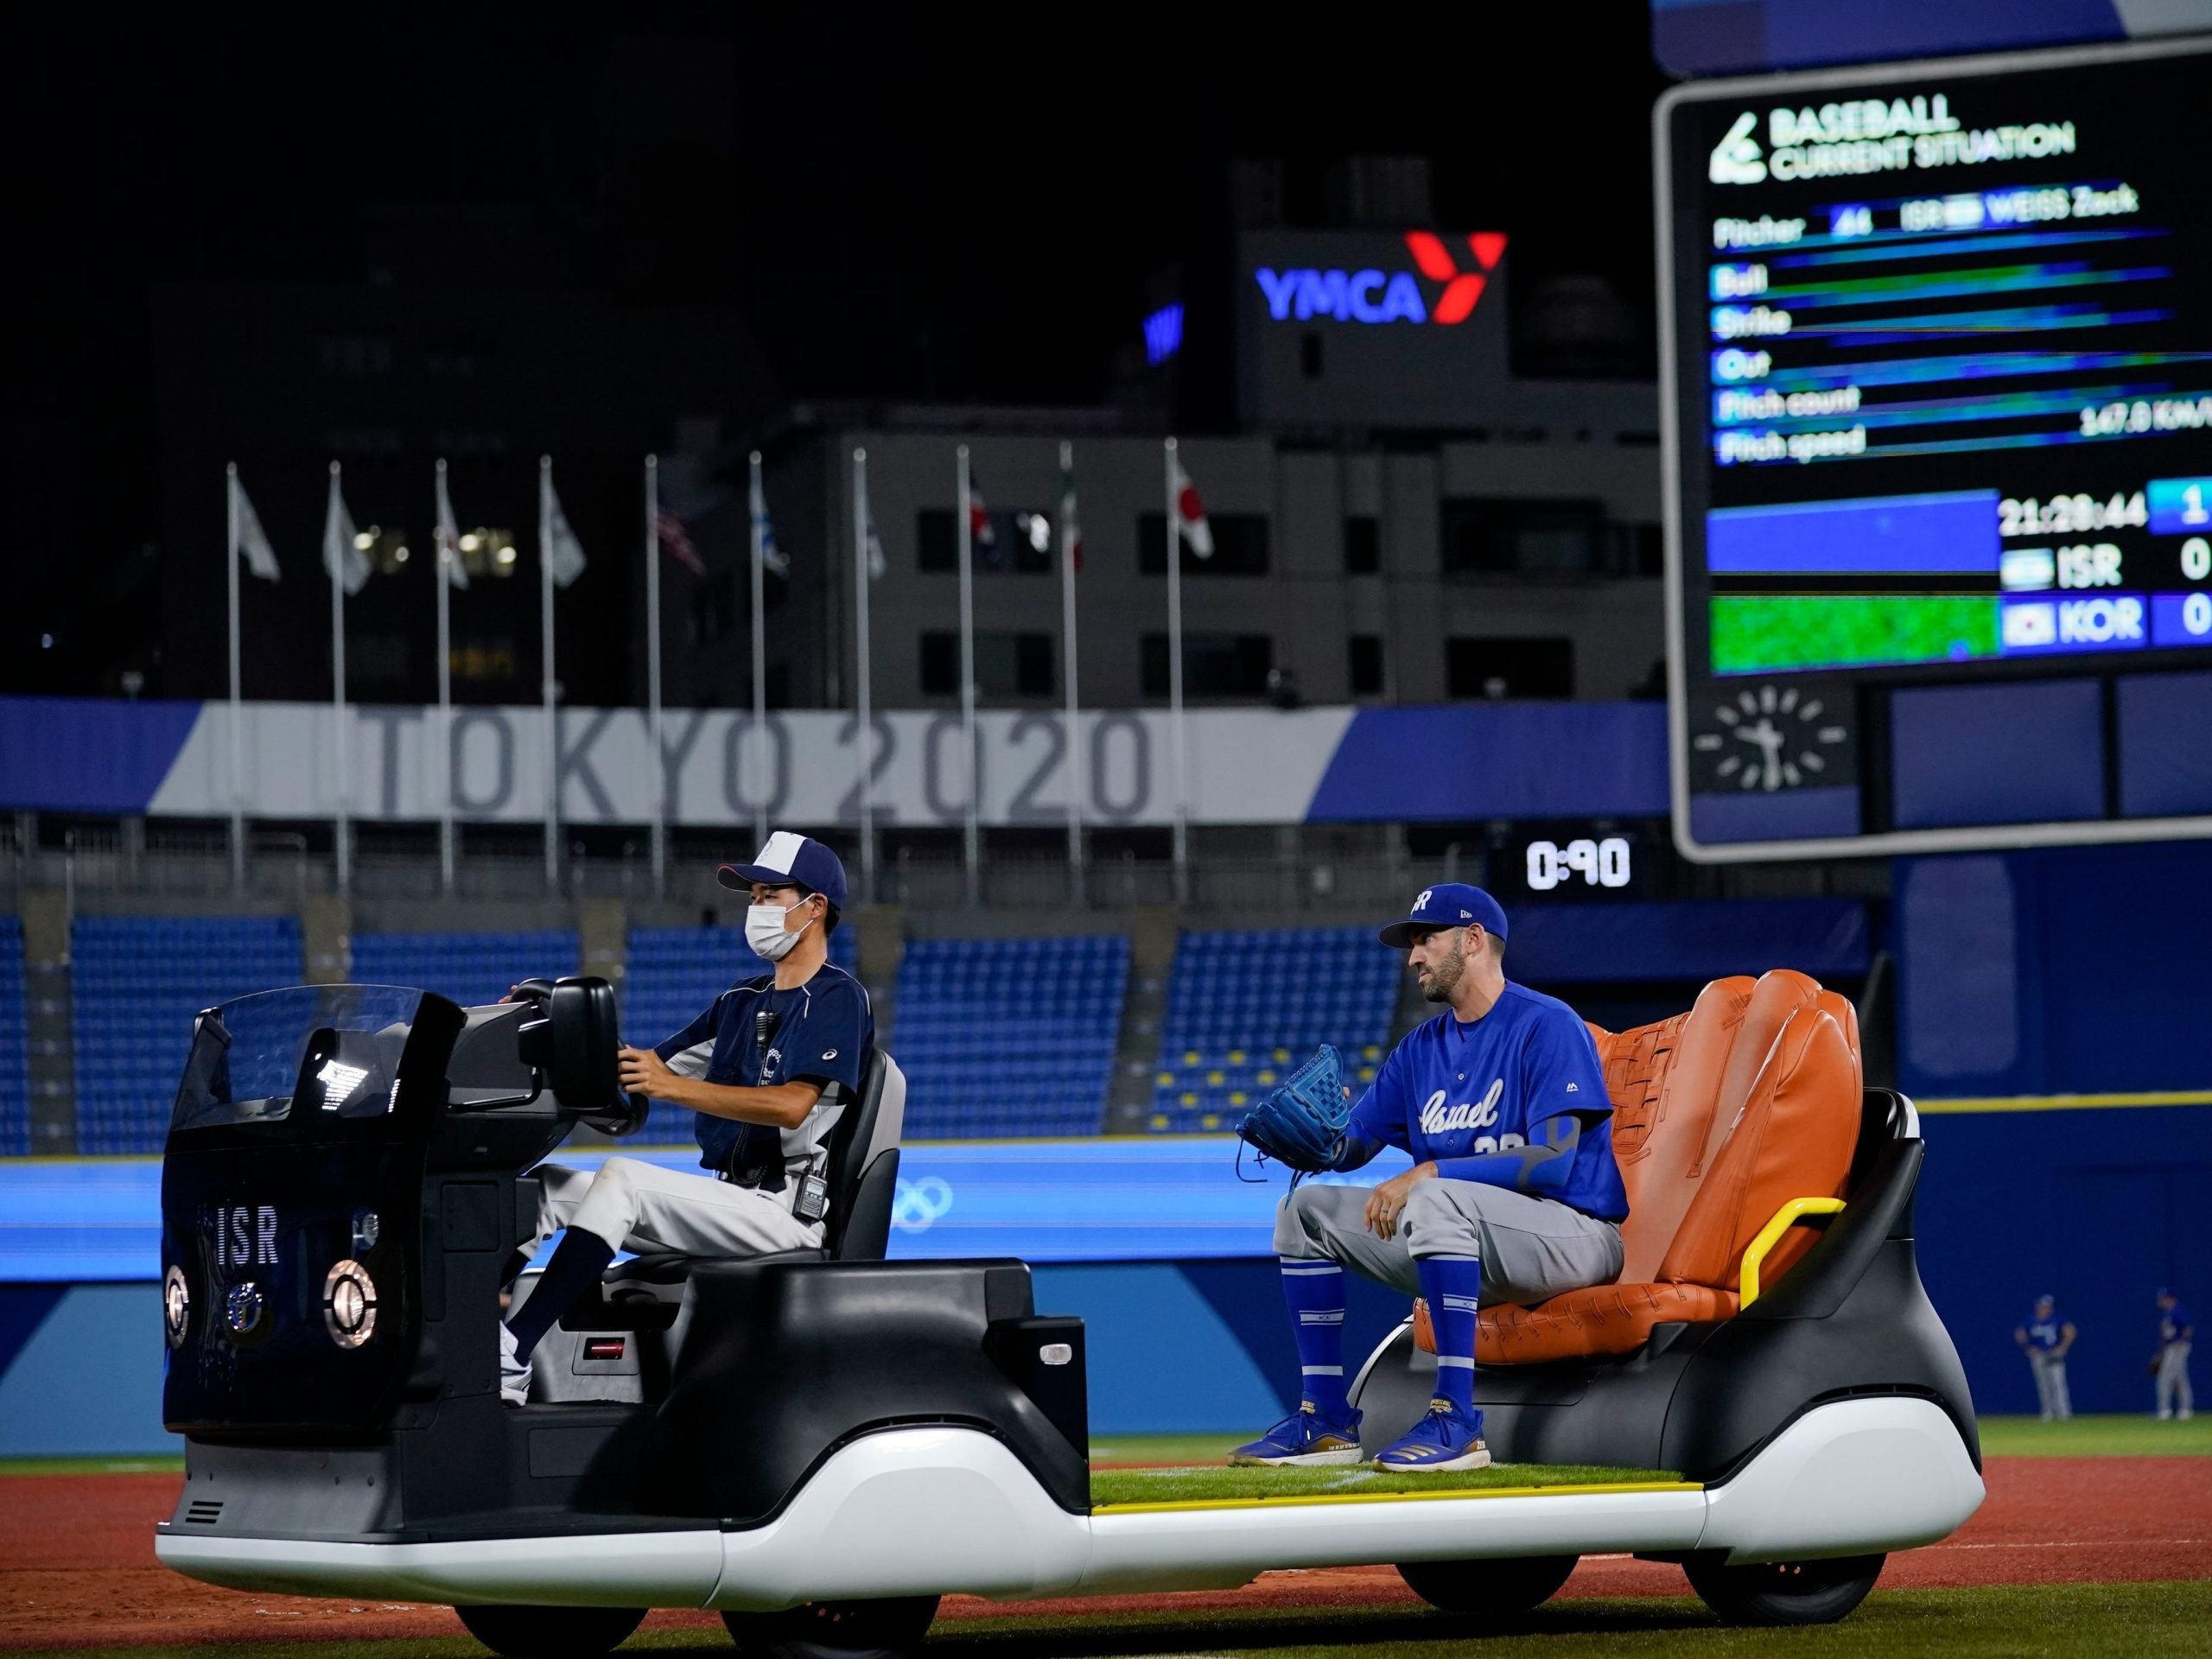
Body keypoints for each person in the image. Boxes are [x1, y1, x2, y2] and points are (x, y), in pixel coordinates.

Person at [1230, 884, 1629, 1472]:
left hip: (1574, 1235)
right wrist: (1321, 1138)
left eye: (1425, 939)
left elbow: (1553, 1159)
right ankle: (1326, 1420)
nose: (1412, 956)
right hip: (1473, 1243)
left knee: (1435, 1197)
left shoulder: (1547, 1025)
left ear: (1472, 941)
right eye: (1411, 943)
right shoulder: (1419, 1050)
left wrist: (1429, 1171)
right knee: (1305, 1212)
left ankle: (1458, 1421)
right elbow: (1352, 1148)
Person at [497, 831, 873, 1405]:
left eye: (769, 894)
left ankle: (513, 1355)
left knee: (622, 1180)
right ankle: (481, 1333)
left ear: (814, 906)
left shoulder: (836, 1000)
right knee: (547, 1189)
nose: (756, 908)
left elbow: (795, 1104)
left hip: (785, 1210)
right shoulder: (739, 1002)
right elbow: (645, 1067)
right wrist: (555, 1025)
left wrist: (673, 1087)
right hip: (730, 1203)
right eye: (753, 897)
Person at [2013, 1295, 2075, 1421]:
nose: (2045, 1309)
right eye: (2043, 1307)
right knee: (2043, 1385)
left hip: (2054, 1354)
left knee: (2058, 1383)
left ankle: (2063, 1411)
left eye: (2047, 1307)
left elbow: (2070, 1331)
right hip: (2039, 1355)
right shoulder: (2031, 1321)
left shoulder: (2056, 1319)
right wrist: (2028, 1347)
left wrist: (2062, 1348)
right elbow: (2020, 1333)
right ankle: (2048, 1412)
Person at [2154, 1289, 2195, 1421]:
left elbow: (2188, 1329)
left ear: (2170, 1299)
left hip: (2178, 1348)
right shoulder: (2168, 1313)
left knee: (2166, 1377)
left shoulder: (2178, 1311)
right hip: (2170, 1347)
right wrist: (2161, 1353)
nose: (2161, 1302)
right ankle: (2184, 1409)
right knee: (2179, 1377)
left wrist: (2180, 1341)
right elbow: (2165, 1334)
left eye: (2163, 1299)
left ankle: (2166, 1410)